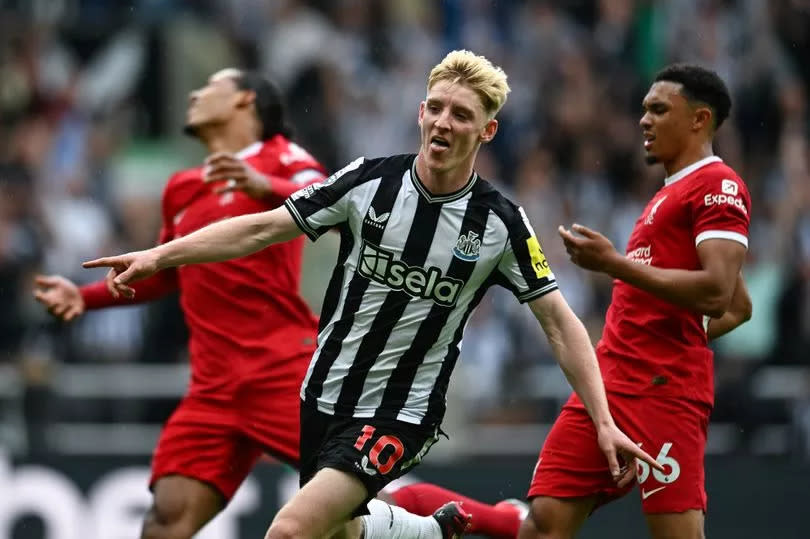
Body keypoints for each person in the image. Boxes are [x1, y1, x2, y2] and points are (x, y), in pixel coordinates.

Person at [83, 50, 661, 539]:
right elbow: (261, 227)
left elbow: (559, 323)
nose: (442, 122)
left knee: (288, 531)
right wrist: (160, 253)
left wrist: (602, 418)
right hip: (322, 395)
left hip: (400, 412)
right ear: (419, 111)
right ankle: (428, 529)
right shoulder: (367, 182)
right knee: (344, 531)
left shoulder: (500, 225)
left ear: (486, 131)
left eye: (461, 114)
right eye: (435, 107)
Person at [34, 68, 329, 539]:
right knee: (166, 520)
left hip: (281, 369)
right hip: (212, 388)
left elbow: (332, 205)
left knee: (369, 500)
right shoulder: (182, 187)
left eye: (210, 86)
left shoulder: (282, 158)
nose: (194, 92)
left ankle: (487, 520)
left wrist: (265, 187)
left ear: (244, 100)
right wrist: (83, 298)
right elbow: (165, 273)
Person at [520, 64, 753, 539]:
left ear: (699, 119)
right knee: (544, 522)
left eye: (659, 109)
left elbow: (718, 293)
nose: (643, 120)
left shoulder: (718, 185)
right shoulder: (667, 194)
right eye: (644, 109)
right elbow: (739, 306)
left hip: (665, 393)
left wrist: (613, 263)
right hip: (609, 383)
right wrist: (673, 327)